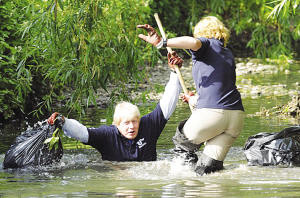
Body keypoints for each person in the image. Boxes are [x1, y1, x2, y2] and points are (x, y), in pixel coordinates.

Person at [138, 16, 244, 175]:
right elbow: (220, 92)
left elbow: (194, 43)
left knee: (182, 143)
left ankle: (182, 184)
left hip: (212, 115)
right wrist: (193, 99)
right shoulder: (227, 54)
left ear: (201, 33)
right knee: (208, 171)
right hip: (235, 118)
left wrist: (162, 43)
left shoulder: (206, 44)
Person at [47, 50, 184, 162]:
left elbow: (167, 103)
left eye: (134, 122)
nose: (132, 127)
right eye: (126, 123)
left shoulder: (148, 125)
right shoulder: (107, 135)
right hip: (116, 174)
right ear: (116, 125)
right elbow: (83, 133)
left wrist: (174, 73)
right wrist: (64, 122)